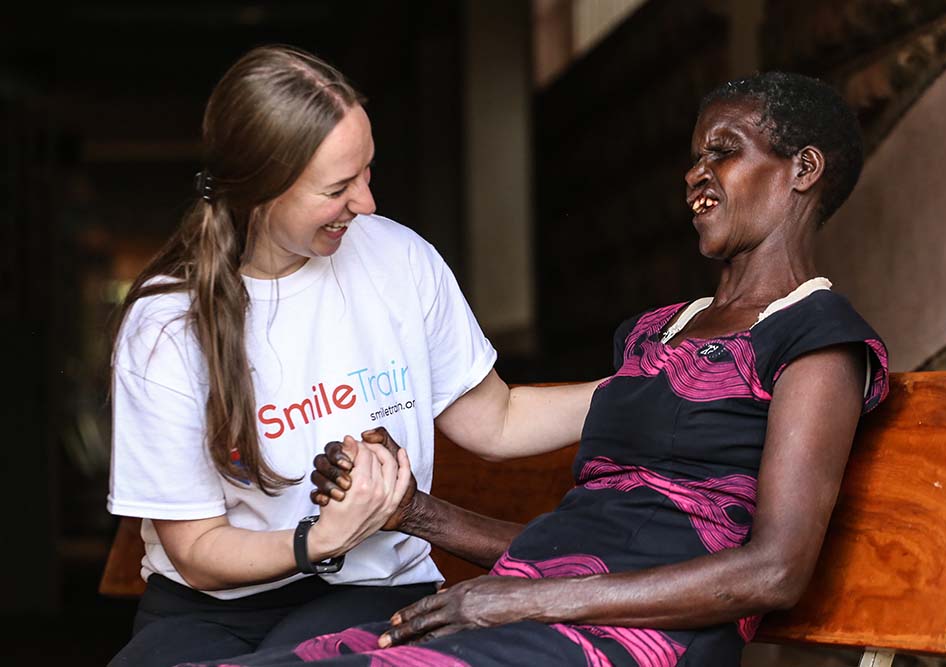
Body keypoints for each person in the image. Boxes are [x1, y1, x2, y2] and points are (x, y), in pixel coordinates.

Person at [181, 71, 891, 667]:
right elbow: (587, 538)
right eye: (694, 154)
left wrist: (521, 598)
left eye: (723, 151)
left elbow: (774, 570)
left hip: (640, 642)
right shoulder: (656, 332)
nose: (695, 173)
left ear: (802, 169)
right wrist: (411, 510)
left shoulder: (815, 339)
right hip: (541, 618)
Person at [107, 44, 601, 667]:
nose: (366, 203)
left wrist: (645, 386)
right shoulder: (167, 322)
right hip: (206, 605)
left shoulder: (400, 258)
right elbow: (198, 552)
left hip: (373, 591)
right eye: (339, 187)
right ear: (261, 192)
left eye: (368, 171)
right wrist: (322, 539)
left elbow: (496, 419)